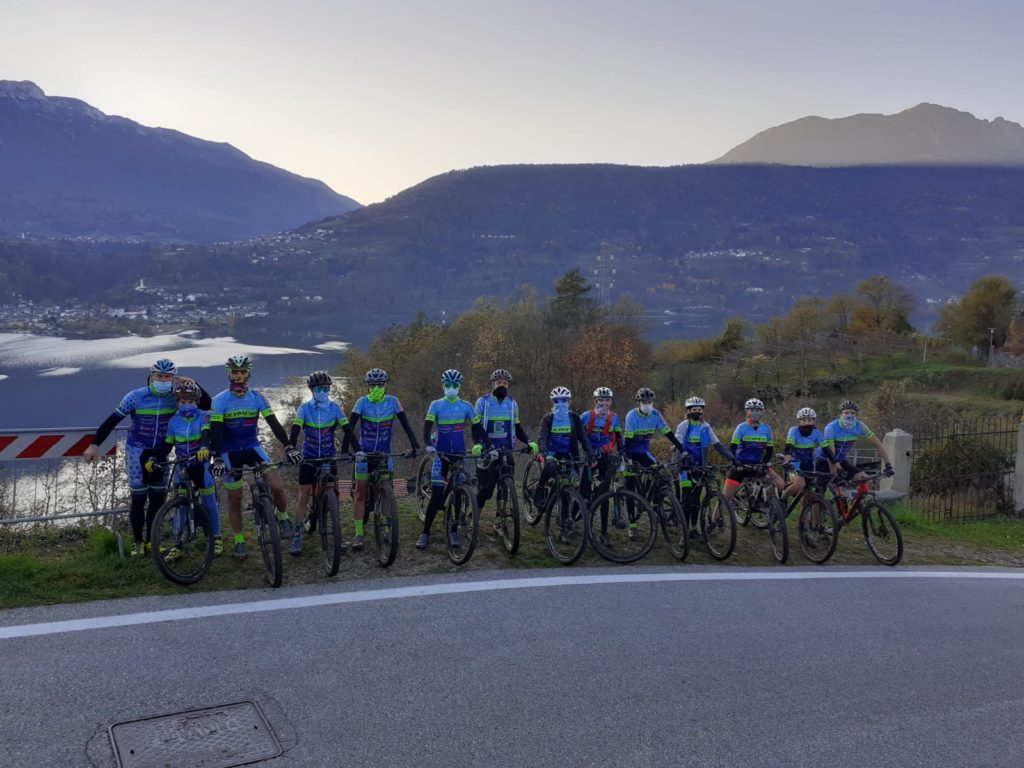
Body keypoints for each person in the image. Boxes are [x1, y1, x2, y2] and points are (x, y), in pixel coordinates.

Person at [83, 358, 210, 557]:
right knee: (139, 498)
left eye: (168, 376)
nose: (163, 379)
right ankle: (137, 542)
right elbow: (112, 421)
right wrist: (94, 444)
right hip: (137, 451)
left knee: (158, 498)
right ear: (151, 375)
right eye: (159, 375)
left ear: (173, 378)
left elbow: (206, 403)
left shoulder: (176, 397)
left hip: (161, 452)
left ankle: (152, 541)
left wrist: (191, 382)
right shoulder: (135, 396)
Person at [208, 354, 302, 560]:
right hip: (229, 453)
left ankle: (283, 517)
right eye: (235, 372)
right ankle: (239, 541)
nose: (239, 376)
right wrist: (217, 458)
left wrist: (288, 447)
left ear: (248, 374)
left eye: (242, 372)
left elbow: (275, 425)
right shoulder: (220, 400)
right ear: (229, 373)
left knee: (276, 485)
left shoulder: (258, 398)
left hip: (253, 447)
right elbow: (215, 432)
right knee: (235, 499)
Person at [141, 377, 222, 556]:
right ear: (177, 403)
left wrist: (204, 448)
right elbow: (168, 445)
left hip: (200, 463)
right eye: (183, 401)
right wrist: (155, 457)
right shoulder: (173, 422)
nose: (187, 404)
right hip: (181, 464)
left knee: (209, 503)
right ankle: (178, 544)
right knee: (180, 505)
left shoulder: (203, 416)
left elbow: (206, 434)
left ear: (197, 402)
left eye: (191, 401)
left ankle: (216, 537)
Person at [346, 368, 420, 550]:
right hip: (364, 454)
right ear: (368, 386)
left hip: (385, 454)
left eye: (380, 384)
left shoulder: (393, 402)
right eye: (373, 385)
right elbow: (349, 428)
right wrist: (349, 451)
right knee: (361, 493)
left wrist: (415, 446)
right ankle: (358, 534)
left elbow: (406, 424)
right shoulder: (362, 402)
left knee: (388, 493)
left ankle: (388, 528)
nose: (376, 387)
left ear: (385, 385)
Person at [288, 371, 360, 556]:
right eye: (319, 389)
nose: (323, 391)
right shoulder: (304, 409)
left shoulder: (335, 408)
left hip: (329, 456)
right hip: (308, 457)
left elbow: (348, 430)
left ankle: (337, 533)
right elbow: (295, 430)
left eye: (326, 388)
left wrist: (357, 449)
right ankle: (297, 534)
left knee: (332, 494)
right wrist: (291, 448)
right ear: (312, 390)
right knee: (304, 494)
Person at [417, 369, 489, 550]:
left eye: (454, 385)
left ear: (459, 387)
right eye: (448, 385)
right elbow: (426, 428)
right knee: (437, 495)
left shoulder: (466, 406)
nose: (451, 388)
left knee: (458, 494)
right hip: (441, 454)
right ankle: (425, 532)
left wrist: (486, 445)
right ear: (443, 386)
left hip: (459, 454)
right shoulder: (436, 405)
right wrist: (428, 444)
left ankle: (454, 531)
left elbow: (478, 428)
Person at [473, 368, 538, 516]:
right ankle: (475, 516)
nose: (502, 385)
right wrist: (477, 443)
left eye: (505, 383)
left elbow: (517, 427)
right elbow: (476, 427)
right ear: (493, 384)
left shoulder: (512, 404)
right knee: (486, 488)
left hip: (506, 449)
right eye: (498, 382)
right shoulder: (483, 402)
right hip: (487, 450)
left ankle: (499, 518)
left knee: (505, 486)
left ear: (508, 385)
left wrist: (529, 441)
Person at [674, 396, 736, 536]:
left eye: (700, 409)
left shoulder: (705, 426)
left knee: (696, 499)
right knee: (688, 499)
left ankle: (694, 528)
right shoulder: (683, 426)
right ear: (688, 411)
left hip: (700, 467)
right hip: (684, 466)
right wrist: (684, 460)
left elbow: (718, 445)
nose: (697, 411)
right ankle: (684, 530)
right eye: (694, 409)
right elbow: (677, 445)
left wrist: (732, 459)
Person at [533, 386, 593, 511]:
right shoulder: (548, 418)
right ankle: (540, 486)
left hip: (569, 454)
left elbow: (583, 436)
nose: (561, 403)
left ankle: (565, 518)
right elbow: (542, 436)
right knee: (551, 466)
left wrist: (590, 452)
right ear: (552, 402)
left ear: (569, 401)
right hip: (551, 453)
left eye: (564, 400)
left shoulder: (574, 417)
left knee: (568, 483)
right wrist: (543, 451)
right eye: (557, 401)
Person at [816, 400, 895, 482]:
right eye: (846, 413)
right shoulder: (831, 428)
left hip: (841, 460)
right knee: (825, 490)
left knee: (867, 481)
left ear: (856, 414)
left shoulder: (860, 426)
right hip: (825, 460)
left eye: (852, 413)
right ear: (841, 414)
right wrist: (838, 469)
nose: (849, 415)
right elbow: (831, 453)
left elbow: (877, 443)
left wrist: (888, 465)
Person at [722, 397, 783, 502]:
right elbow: (732, 448)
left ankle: (758, 499)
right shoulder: (741, 427)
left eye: (758, 410)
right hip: (740, 466)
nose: (755, 412)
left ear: (762, 412)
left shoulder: (766, 428)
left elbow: (769, 450)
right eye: (752, 410)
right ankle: (714, 518)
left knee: (780, 484)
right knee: (725, 498)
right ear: (747, 411)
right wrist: (735, 462)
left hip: (757, 466)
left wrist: (764, 463)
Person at [578, 386, 622, 502]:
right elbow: (577, 434)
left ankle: (603, 518)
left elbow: (618, 436)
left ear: (611, 401)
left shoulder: (614, 418)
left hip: (605, 454)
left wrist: (622, 451)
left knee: (604, 491)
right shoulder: (586, 416)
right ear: (595, 401)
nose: (604, 403)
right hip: (589, 454)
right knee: (584, 487)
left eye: (607, 400)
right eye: (601, 400)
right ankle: (577, 511)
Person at [781, 407, 835, 499]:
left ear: (813, 421)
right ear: (799, 421)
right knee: (799, 484)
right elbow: (789, 447)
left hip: (809, 464)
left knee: (807, 492)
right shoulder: (793, 430)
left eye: (809, 420)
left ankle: (804, 512)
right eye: (803, 420)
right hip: (795, 464)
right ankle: (782, 500)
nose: (806, 422)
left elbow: (826, 450)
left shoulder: (816, 432)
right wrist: (787, 459)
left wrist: (835, 462)